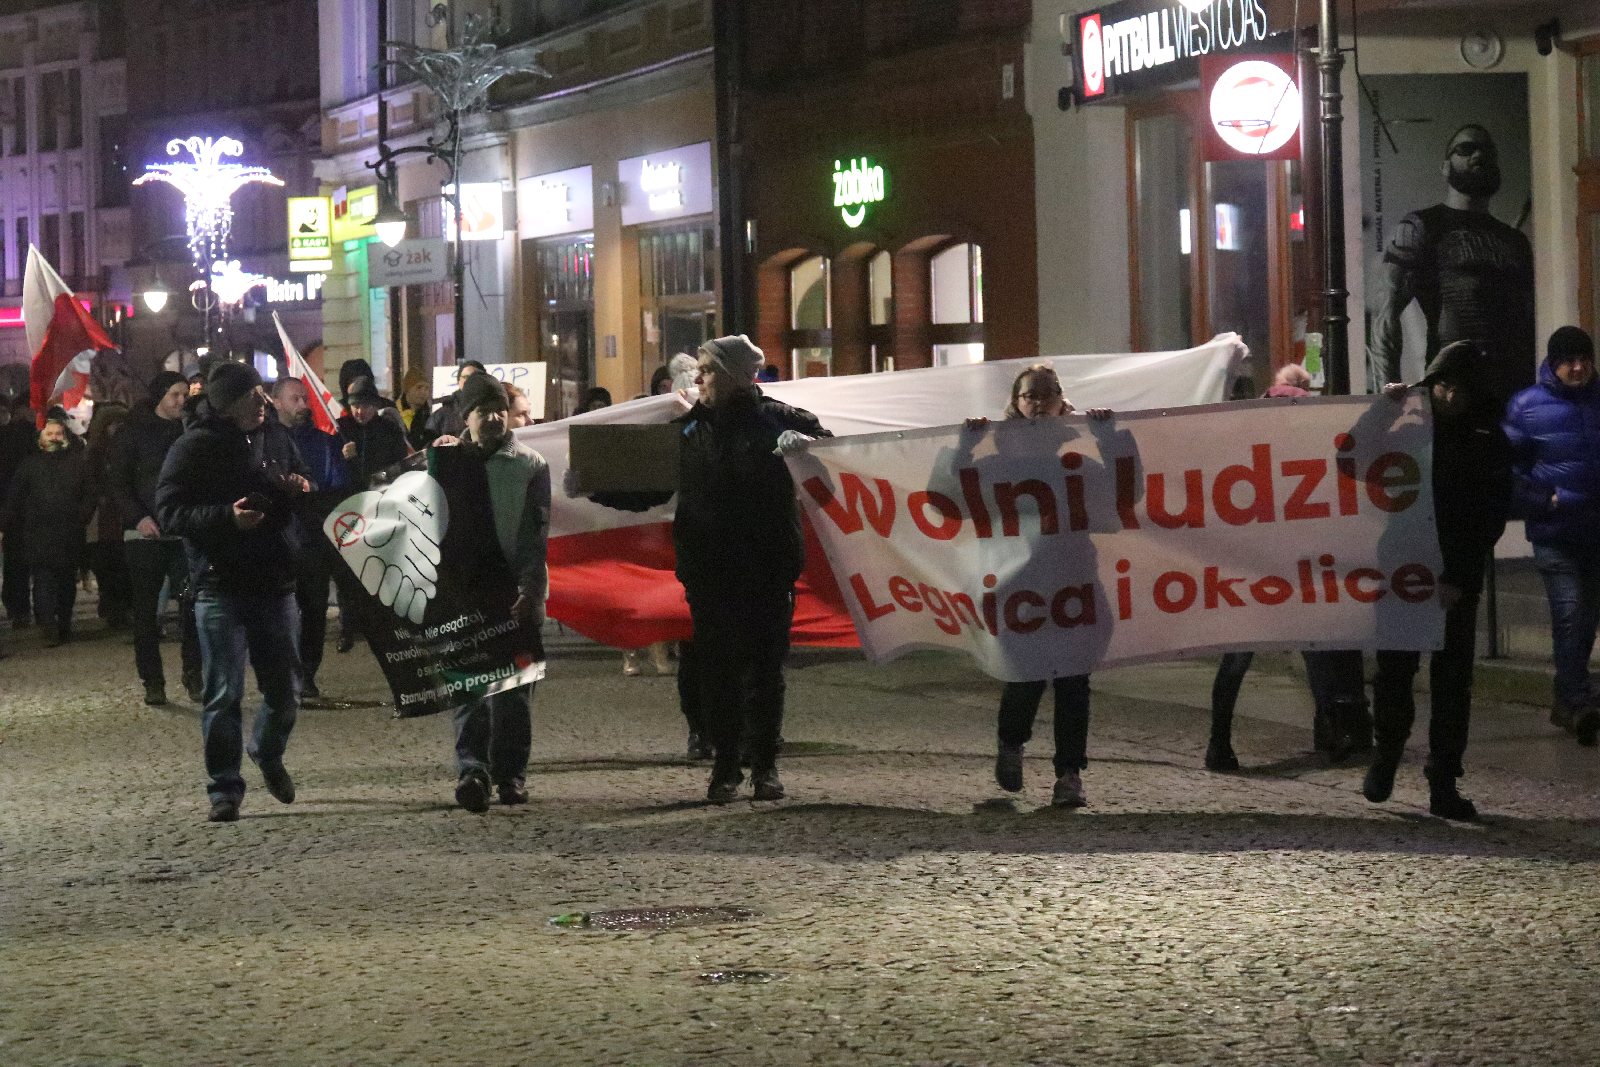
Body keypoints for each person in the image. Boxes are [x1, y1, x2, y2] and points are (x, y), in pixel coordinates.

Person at [675, 335, 831, 803]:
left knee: (765, 670)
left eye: (706, 369)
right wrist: (594, 486)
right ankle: (725, 767)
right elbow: (649, 485)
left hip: (767, 564)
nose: (698, 378)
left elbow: (836, 462)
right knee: (718, 672)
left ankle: (765, 765)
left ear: (738, 375)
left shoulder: (781, 421)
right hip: (708, 567)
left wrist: (808, 448)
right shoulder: (687, 428)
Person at [155, 362, 311, 823]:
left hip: (275, 580)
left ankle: (266, 750)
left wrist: (298, 486)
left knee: (286, 691)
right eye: (253, 398)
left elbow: (299, 476)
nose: (263, 404)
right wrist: (226, 517)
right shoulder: (194, 447)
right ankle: (224, 787)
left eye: (263, 395)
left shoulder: (276, 437)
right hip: (219, 586)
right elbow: (170, 511)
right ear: (226, 407)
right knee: (223, 693)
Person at [1364, 340, 1511, 821]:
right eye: (1441, 386)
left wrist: (1458, 578)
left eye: (1455, 388)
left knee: (1451, 685)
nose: (1447, 396)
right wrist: (1381, 409)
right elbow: (1355, 457)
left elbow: (1488, 518)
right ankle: (1386, 755)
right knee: (1393, 674)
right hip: (1404, 568)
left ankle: (1443, 780)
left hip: (1453, 579)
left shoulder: (1487, 439)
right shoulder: (1410, 429)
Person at [1204, 362, 1371, 772]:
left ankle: (1219, 742)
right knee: (1314, 653)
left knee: (1239, 658)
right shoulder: (1308, 446)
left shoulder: (1244, 444)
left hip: (1256, 566)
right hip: (1294, 565)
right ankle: (1329, 732)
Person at [973, 365, 1111, 807]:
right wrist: (960, 448)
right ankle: (1011, 743)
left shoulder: (1075, 461)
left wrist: (1111, 438)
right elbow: (949, 497)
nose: (1036, 404)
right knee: (1027, 674)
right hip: (1021, 580)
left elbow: (1120, 496)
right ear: (1015, 402)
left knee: (1073, 680)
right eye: (1029, 396)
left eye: (1045, 396)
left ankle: (1069, 774)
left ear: (1059, 403)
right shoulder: (996, 462)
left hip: (1071, 577)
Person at [1366, 124, 1535, 405]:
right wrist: (1389, 393)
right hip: (1452, 396)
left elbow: (1527, 326)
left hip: (1512, 398)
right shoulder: (1421, 227)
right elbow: (1386, 314)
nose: (1478, 155)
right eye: (1465, 149)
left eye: (1487, 151)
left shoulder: (1515, 241)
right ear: (1445, 167)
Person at [447, 371, 550, 812]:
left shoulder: (530, 465)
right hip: (465, 592)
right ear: (466, 417)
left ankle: (510, 775)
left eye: (499, 411)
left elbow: (536, 535)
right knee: (468, 687)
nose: (493, 418)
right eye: (482, 411)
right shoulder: (447, 464)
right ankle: (473, 770)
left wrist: (531, 590)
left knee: (512, 692)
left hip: (513, 591)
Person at [1503, 326, 1600, 746]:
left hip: (1596, 532)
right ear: (1553, 362)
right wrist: (1544, 499)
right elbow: (1507, 469)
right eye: (1568, 360)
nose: (1577, 368)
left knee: (1585, 621)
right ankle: (1577, 702)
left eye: (1583, 359)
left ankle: (1568, 699)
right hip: (1555, 532)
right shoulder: (1526, 407)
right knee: (1570, 613)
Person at [110, 371, 203, 705]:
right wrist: (140, 517)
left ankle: (194, 673)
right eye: (174, 395)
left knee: (192, 606)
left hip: (183, 532)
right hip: (145, 535)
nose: (180, 401)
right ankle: (152, 680)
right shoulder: (133, 433)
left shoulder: (190, 430)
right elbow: (119, 483)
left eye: (183, 395)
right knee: (147, 613)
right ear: (160, 396)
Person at [271, 377, 354, 699]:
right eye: (295, 399)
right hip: (275, 542)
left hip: (312, 540)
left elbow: (337, 488)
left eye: (305, 399)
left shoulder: (323, 443)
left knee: (314, 609)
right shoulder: (263, 441)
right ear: (276, 402)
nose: (303, 406)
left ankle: (307, 672)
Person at [1, 413, 94, 646]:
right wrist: (5, 524)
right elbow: (15, 497)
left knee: (65, 579)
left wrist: (82, 515)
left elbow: (90, 493)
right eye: (49, 434)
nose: (54, 438)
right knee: (43, 579)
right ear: (41, 437)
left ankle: (63, 622)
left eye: (58, 433)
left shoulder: (77, 462)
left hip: (69, 530)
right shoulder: (30, 464)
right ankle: (47, 624)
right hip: (38, 531)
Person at [84, 401, 132, 631]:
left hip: (124, 513)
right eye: (114, 424)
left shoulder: (127, 449)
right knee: (106, 563)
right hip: (102, 517)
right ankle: (112, 606)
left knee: (124, 565)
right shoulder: (94, 453)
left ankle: (121, 607)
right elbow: (89, 483)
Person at [425, 360, 485, 442]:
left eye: (474, 377)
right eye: (465, 377)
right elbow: (428, 449)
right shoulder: (441, 416)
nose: (469, 381)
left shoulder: (495, 413)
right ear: (458, 381)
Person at [397, 366, 434, 450]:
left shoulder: (429, 418)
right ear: (407, 389)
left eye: (427, 388)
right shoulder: (393, 413)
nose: (423, 392)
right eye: (419, 387)